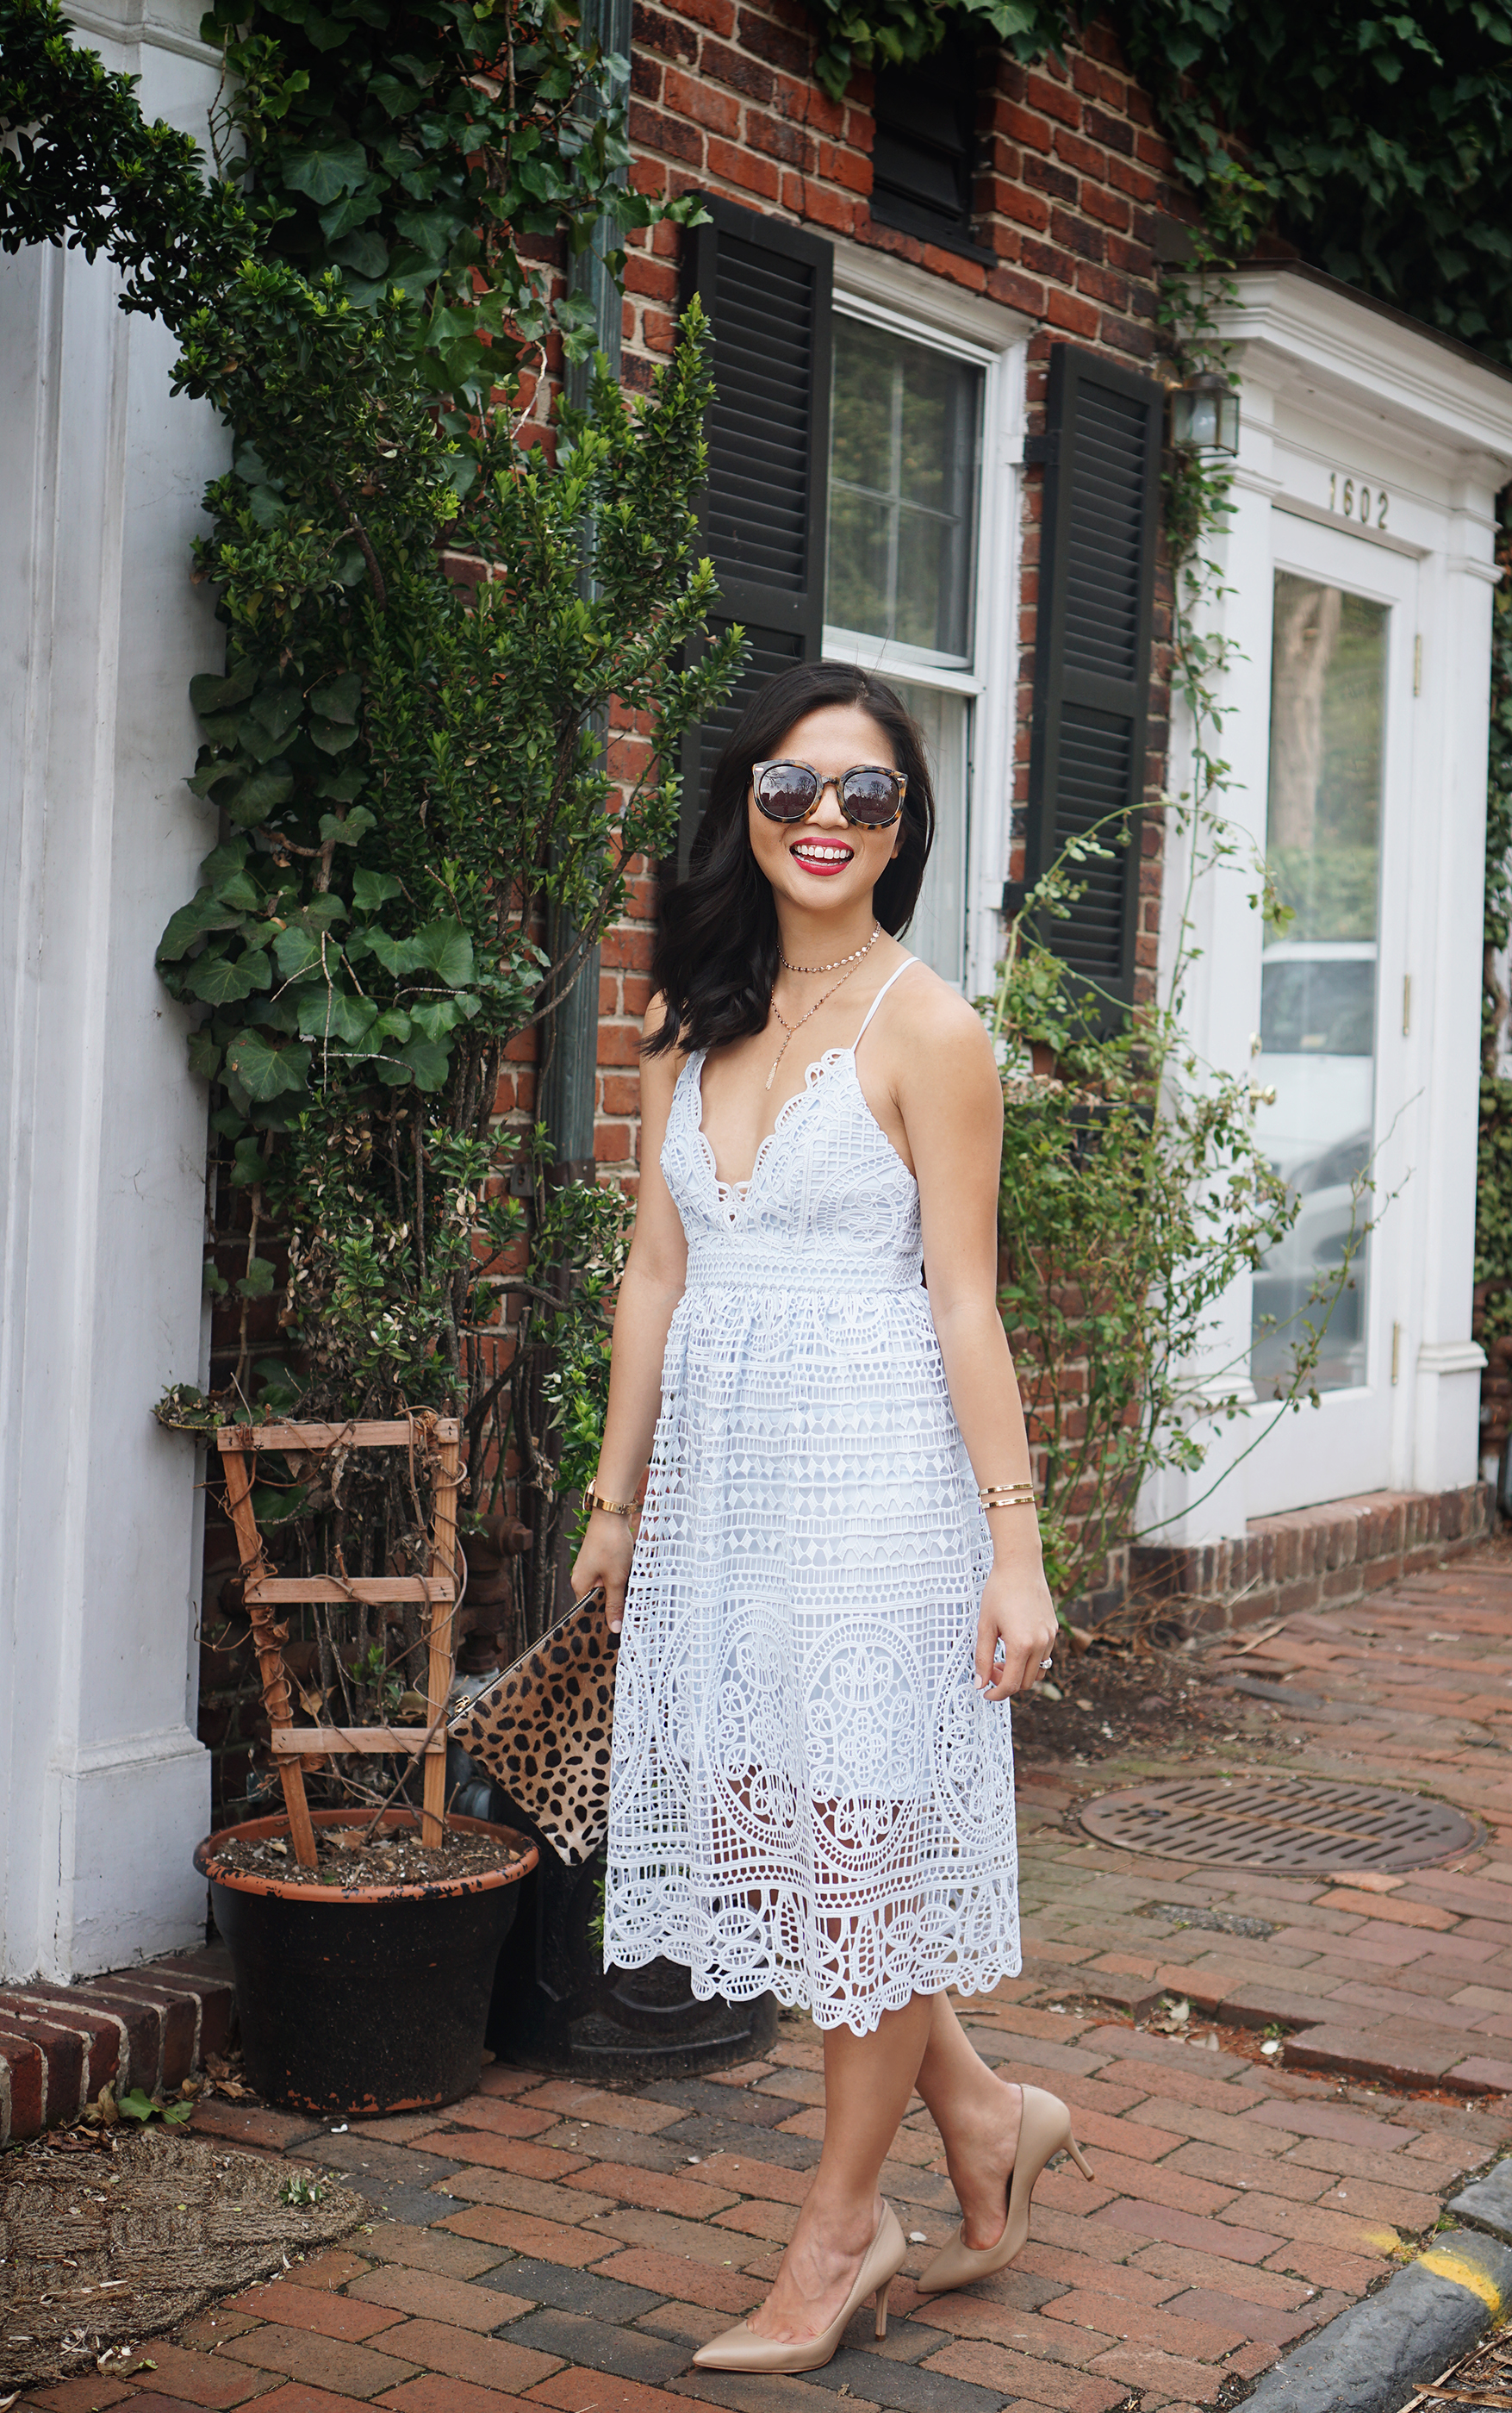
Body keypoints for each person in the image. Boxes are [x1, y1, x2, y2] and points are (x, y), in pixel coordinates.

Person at [570, 660, 1092, 2376]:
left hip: (877, 1502)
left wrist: (1014, 1548)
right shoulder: (686, 1021)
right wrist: (614, 1499)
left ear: (899, 832)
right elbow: (656, 1269)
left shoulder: (929, 1031)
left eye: (863, 796)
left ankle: (839, 2227)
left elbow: (965, 1304)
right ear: (744, 804)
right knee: (799, 1853)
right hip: (729, 1508)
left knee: (854, 1860)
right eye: (794, 786)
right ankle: (993, 2108)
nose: (822, 819)